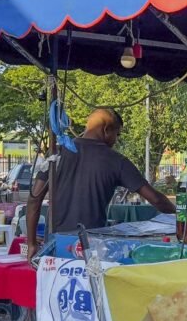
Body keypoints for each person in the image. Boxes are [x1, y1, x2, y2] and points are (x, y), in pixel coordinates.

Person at [27, 108, 175, 261]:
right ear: (106, 130)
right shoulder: (117, 161)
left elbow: (34, 200)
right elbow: (155, 199)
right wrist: (179, 215)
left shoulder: (57, 153)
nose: (116, 140)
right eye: (116, 134)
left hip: (54, 247)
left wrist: (31, 244)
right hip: (90, 249)